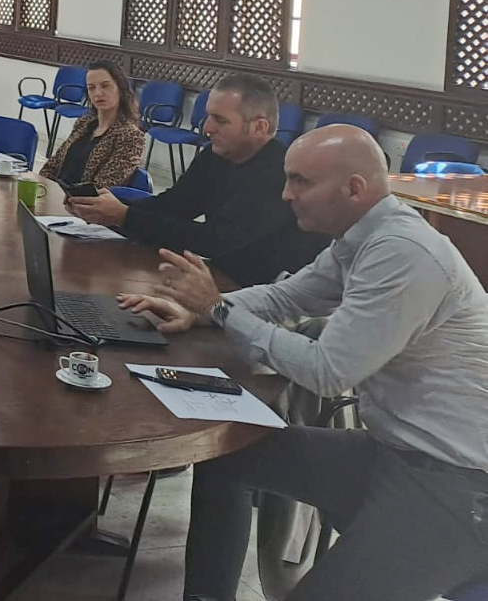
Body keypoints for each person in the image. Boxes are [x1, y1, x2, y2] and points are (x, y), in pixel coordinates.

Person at [118, 125, 488, 601]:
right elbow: (286, 297)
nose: (286, 194)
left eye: (300, 181)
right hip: (394, 454)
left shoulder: (402, 253)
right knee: (223, 455)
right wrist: (200, 310)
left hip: (459, 486)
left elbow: (327, 372)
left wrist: (220, 310)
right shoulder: (361, 238)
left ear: (354, 188)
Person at [66, 74, 328, 286]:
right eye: (208, 116)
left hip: (267, 292)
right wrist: (106, 208)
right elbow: (174, 205)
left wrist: (125, 216)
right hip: (223, 273)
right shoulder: (216, 155)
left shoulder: (278, 174)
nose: (207, 128)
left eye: (220, 120)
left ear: (259, 127)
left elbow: (214, 241)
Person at [39, 61, 146, 189]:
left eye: (105, 86)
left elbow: (102, 186)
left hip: (83, 200)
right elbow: (52, 165)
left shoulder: (131, 136)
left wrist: (61, 195)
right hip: (54, 192)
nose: (98, 93)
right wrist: (42, 186)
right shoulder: (84, 122)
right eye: (91, 88)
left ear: (120, 88)